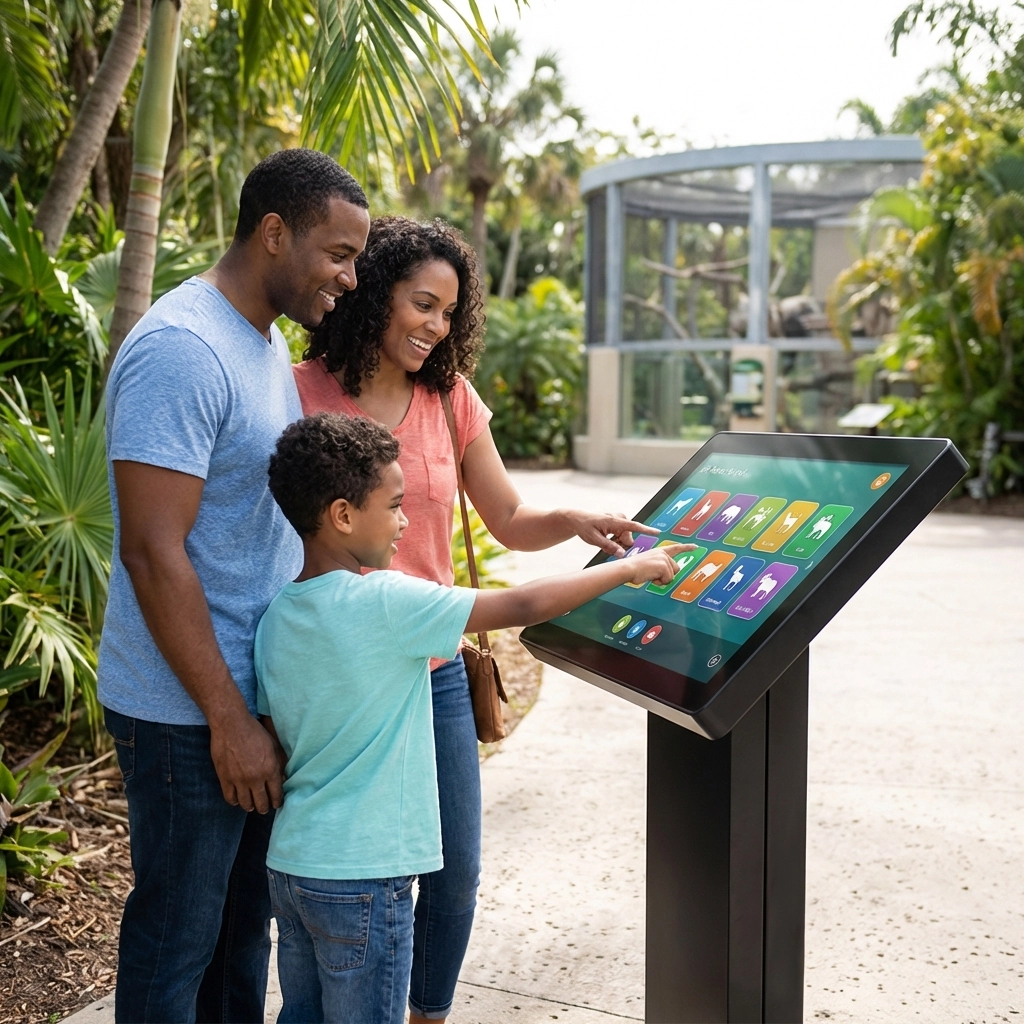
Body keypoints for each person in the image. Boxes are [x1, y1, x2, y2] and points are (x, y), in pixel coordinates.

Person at [294, 215, 660, 1022]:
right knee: (344, 872)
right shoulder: (300, 387)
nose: (436, 327)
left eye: (449, 314)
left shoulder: (449, 398)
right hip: (342, 680)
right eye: (422, 304)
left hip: (433, 674)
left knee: (454, 870)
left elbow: (508, 517)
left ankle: (427, 1014)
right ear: (377, 291)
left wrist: (572, 519)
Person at [256, 412, 688, 1024]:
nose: (408, 520)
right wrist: (628, 568)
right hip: (366, 874)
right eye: (396, 505)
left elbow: (278, 730)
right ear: (343, 516)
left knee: (301, 1015)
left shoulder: (276, 616)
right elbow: (521, 604)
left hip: (294, 867)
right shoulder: (385, 600)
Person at [98, 149, 371, 1024]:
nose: (350, 276)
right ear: (274, 232)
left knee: (240, 939)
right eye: (337, 253)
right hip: (185, 713)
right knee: (177, 942)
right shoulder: (183, 347)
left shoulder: (257, 342)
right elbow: (152, 549)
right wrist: (226, 719)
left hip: (245, 703)